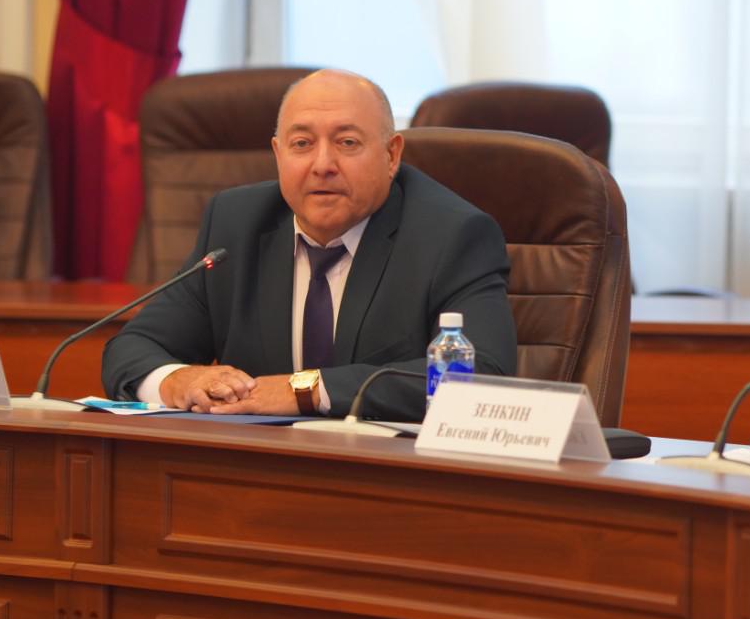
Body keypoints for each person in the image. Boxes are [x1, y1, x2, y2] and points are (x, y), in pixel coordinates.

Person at [101, 69, 516, 418]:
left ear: (392, 156)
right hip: (255, 471)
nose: (322, 165)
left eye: (347, 143)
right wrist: (178, 380)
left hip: (388, 475)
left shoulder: (452, 235)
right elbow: (132, 348)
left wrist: (307, 390)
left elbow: (483, 374)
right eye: (302, 144)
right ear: (278, 154)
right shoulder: (236, 225)